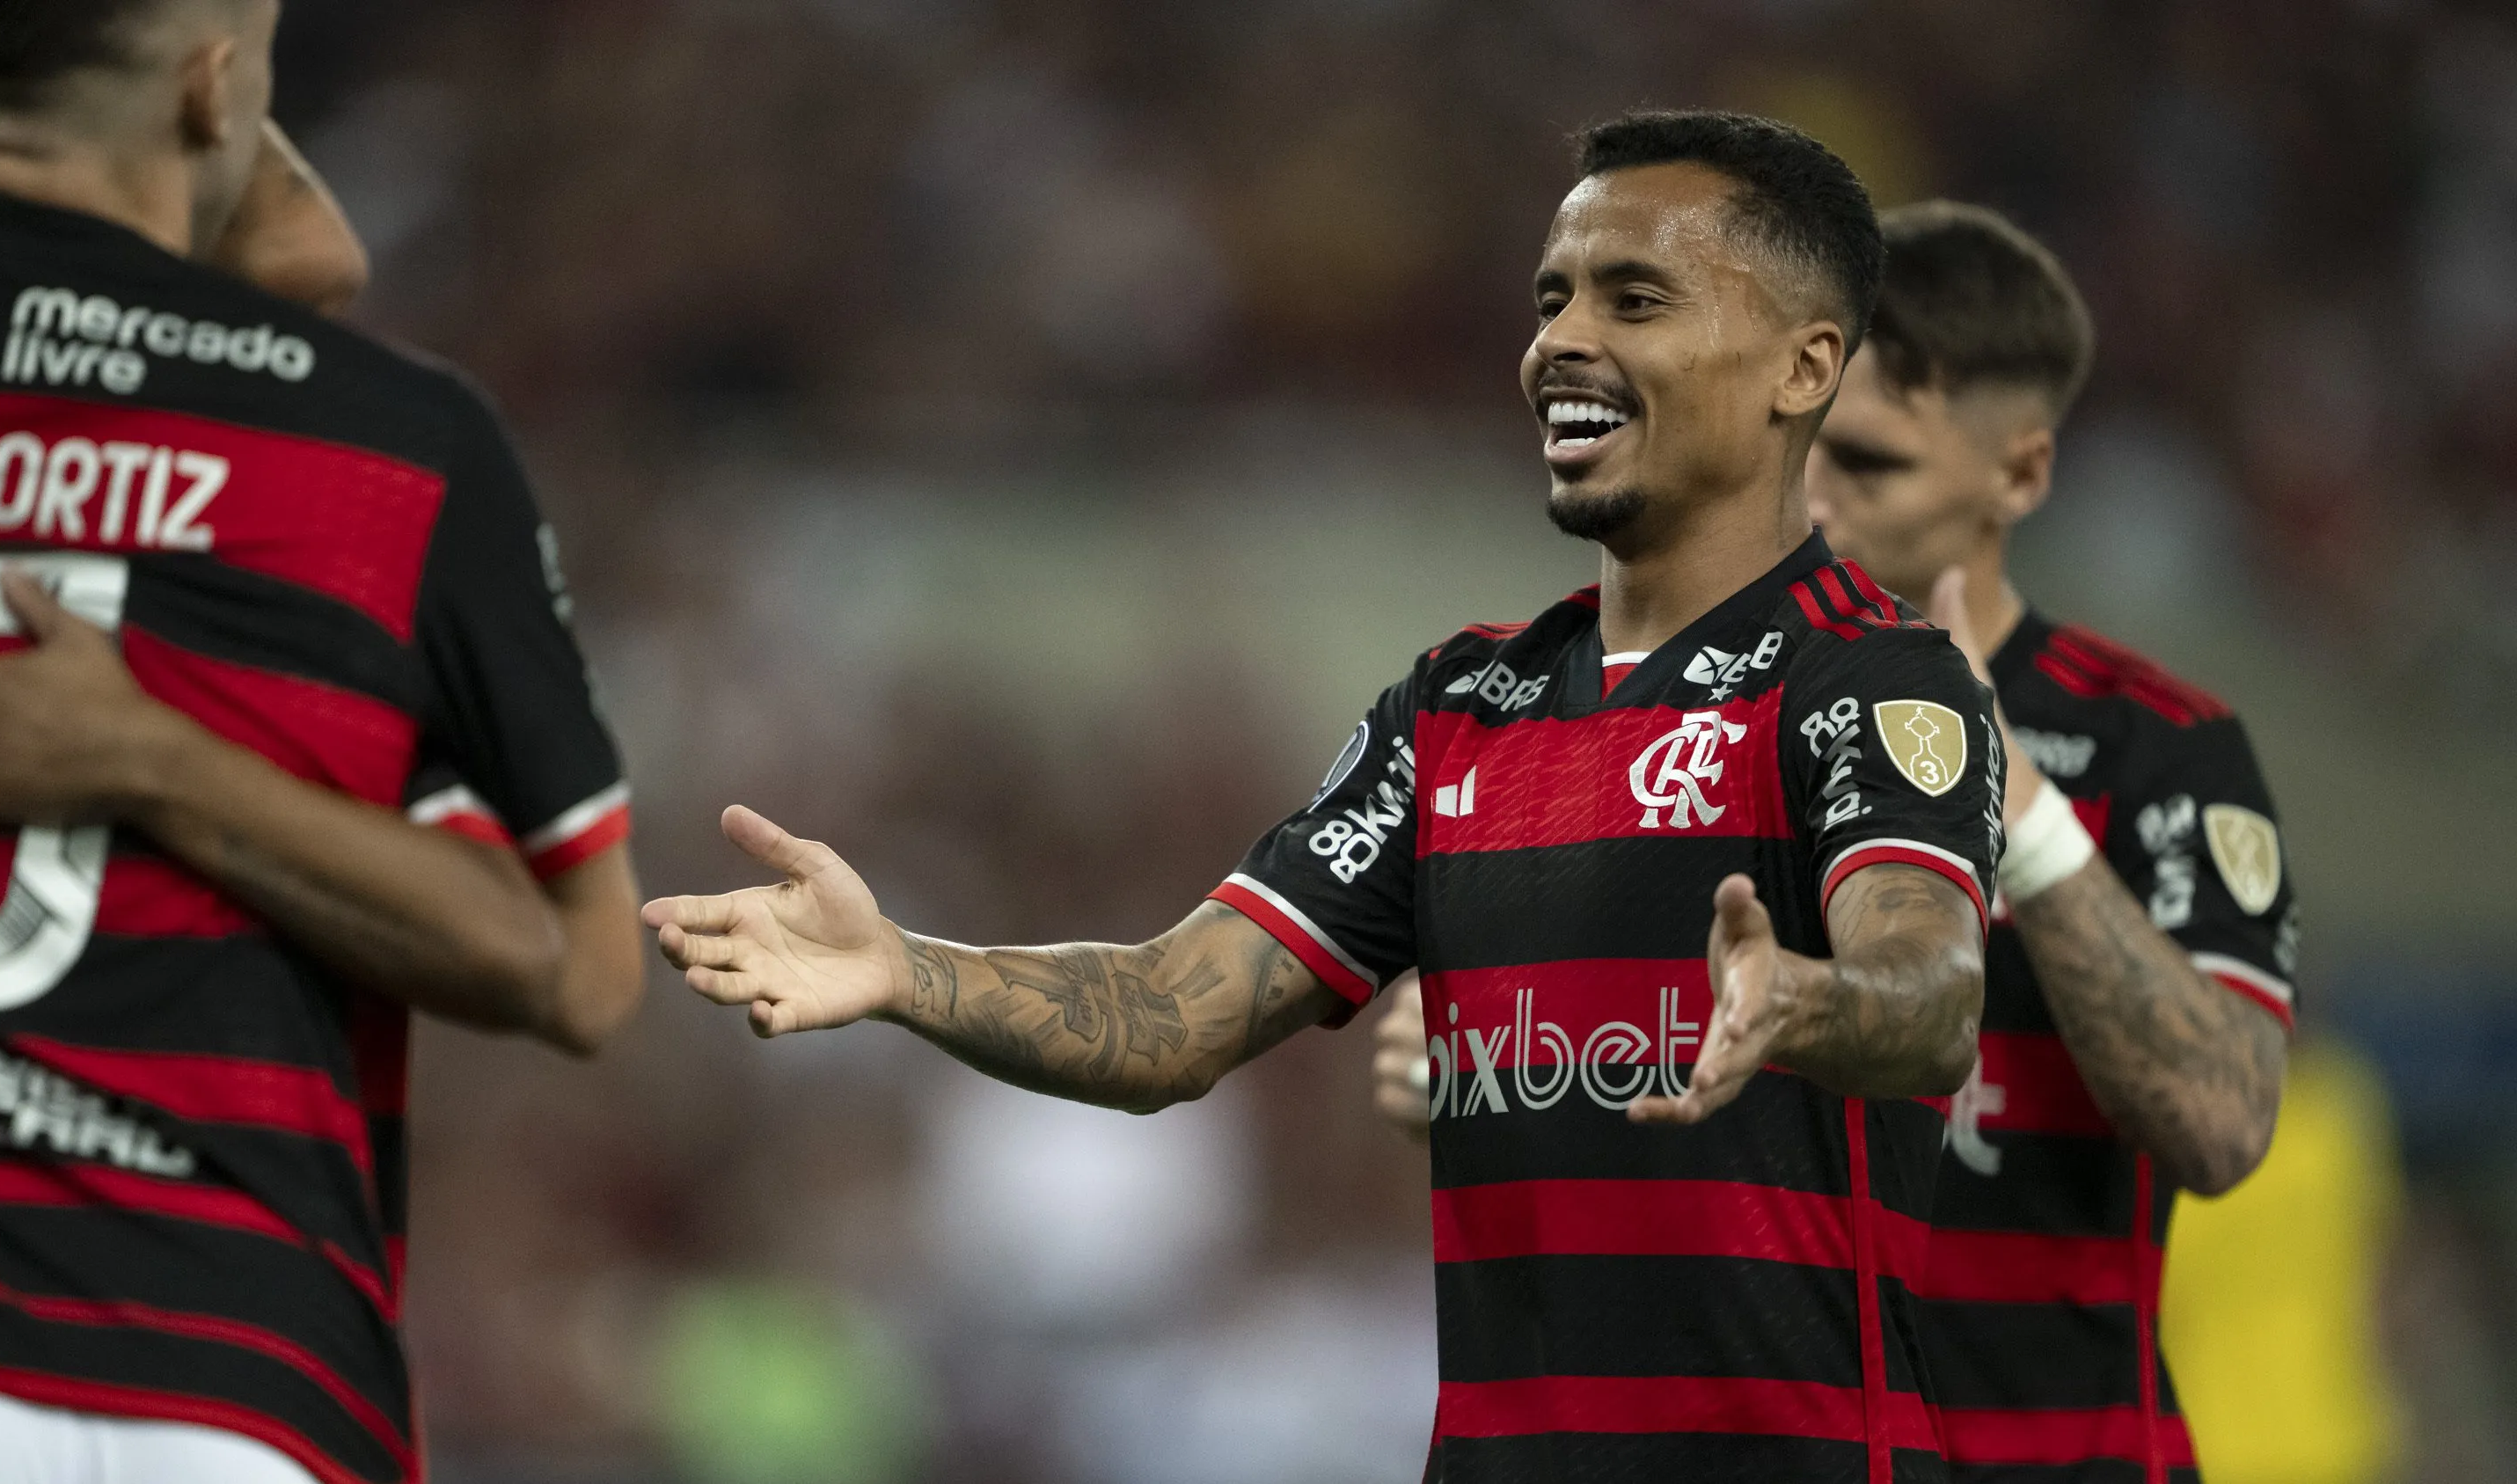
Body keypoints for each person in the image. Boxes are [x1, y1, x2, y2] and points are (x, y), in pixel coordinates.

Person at [649, 111, 2001, 1484]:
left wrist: (1810, 999)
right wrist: (903, 970)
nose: (1562, 342)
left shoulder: (1868, 682)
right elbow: (1173, 1014)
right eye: (1553, 298)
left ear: (1802, 365)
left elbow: (1933, 987)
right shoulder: (1459, 712)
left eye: (1634, 298)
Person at [1375, 199, 2297, 1482]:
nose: (1811, 495)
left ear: (2018, 474)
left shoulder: (2155, 748)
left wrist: (2017, 810)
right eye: (1800, 442)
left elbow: (2221, 1124)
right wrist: (1493, 1052)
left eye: (1866, 463)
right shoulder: (1658, 710)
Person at [0, 4, 645, 1481]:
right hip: (243, 1381)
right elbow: (581, 970)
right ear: (219, 81)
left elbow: (292, 258)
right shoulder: (387, 456)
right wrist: (154, 755)